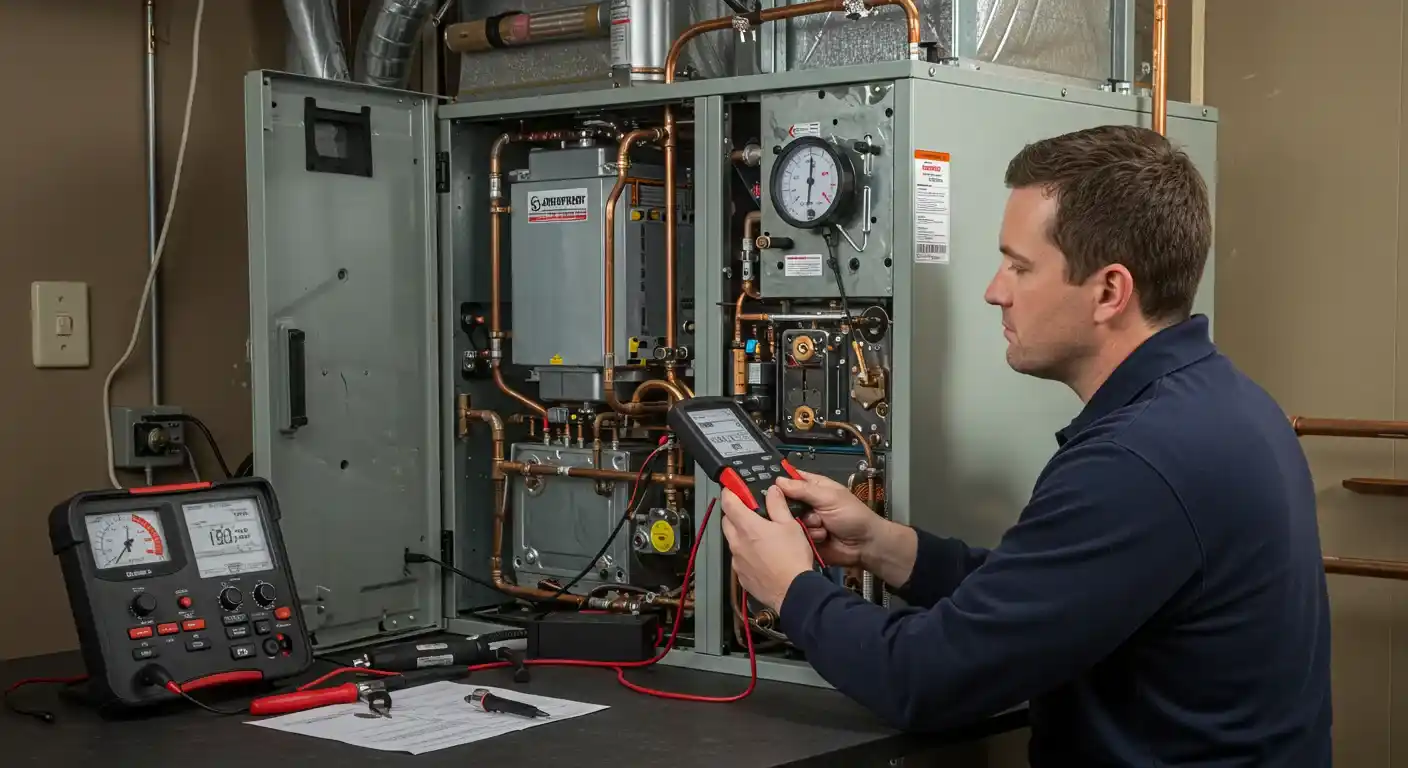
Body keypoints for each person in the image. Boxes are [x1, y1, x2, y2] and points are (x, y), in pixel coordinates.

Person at [720, 125, 1332, 765]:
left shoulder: (1136, 462)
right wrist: (881, 545)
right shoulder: (1226, 405)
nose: (996, 290)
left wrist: (791, 589)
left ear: (1109, 292)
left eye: (1019, 266)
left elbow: (926, 679)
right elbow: (1051, 593)